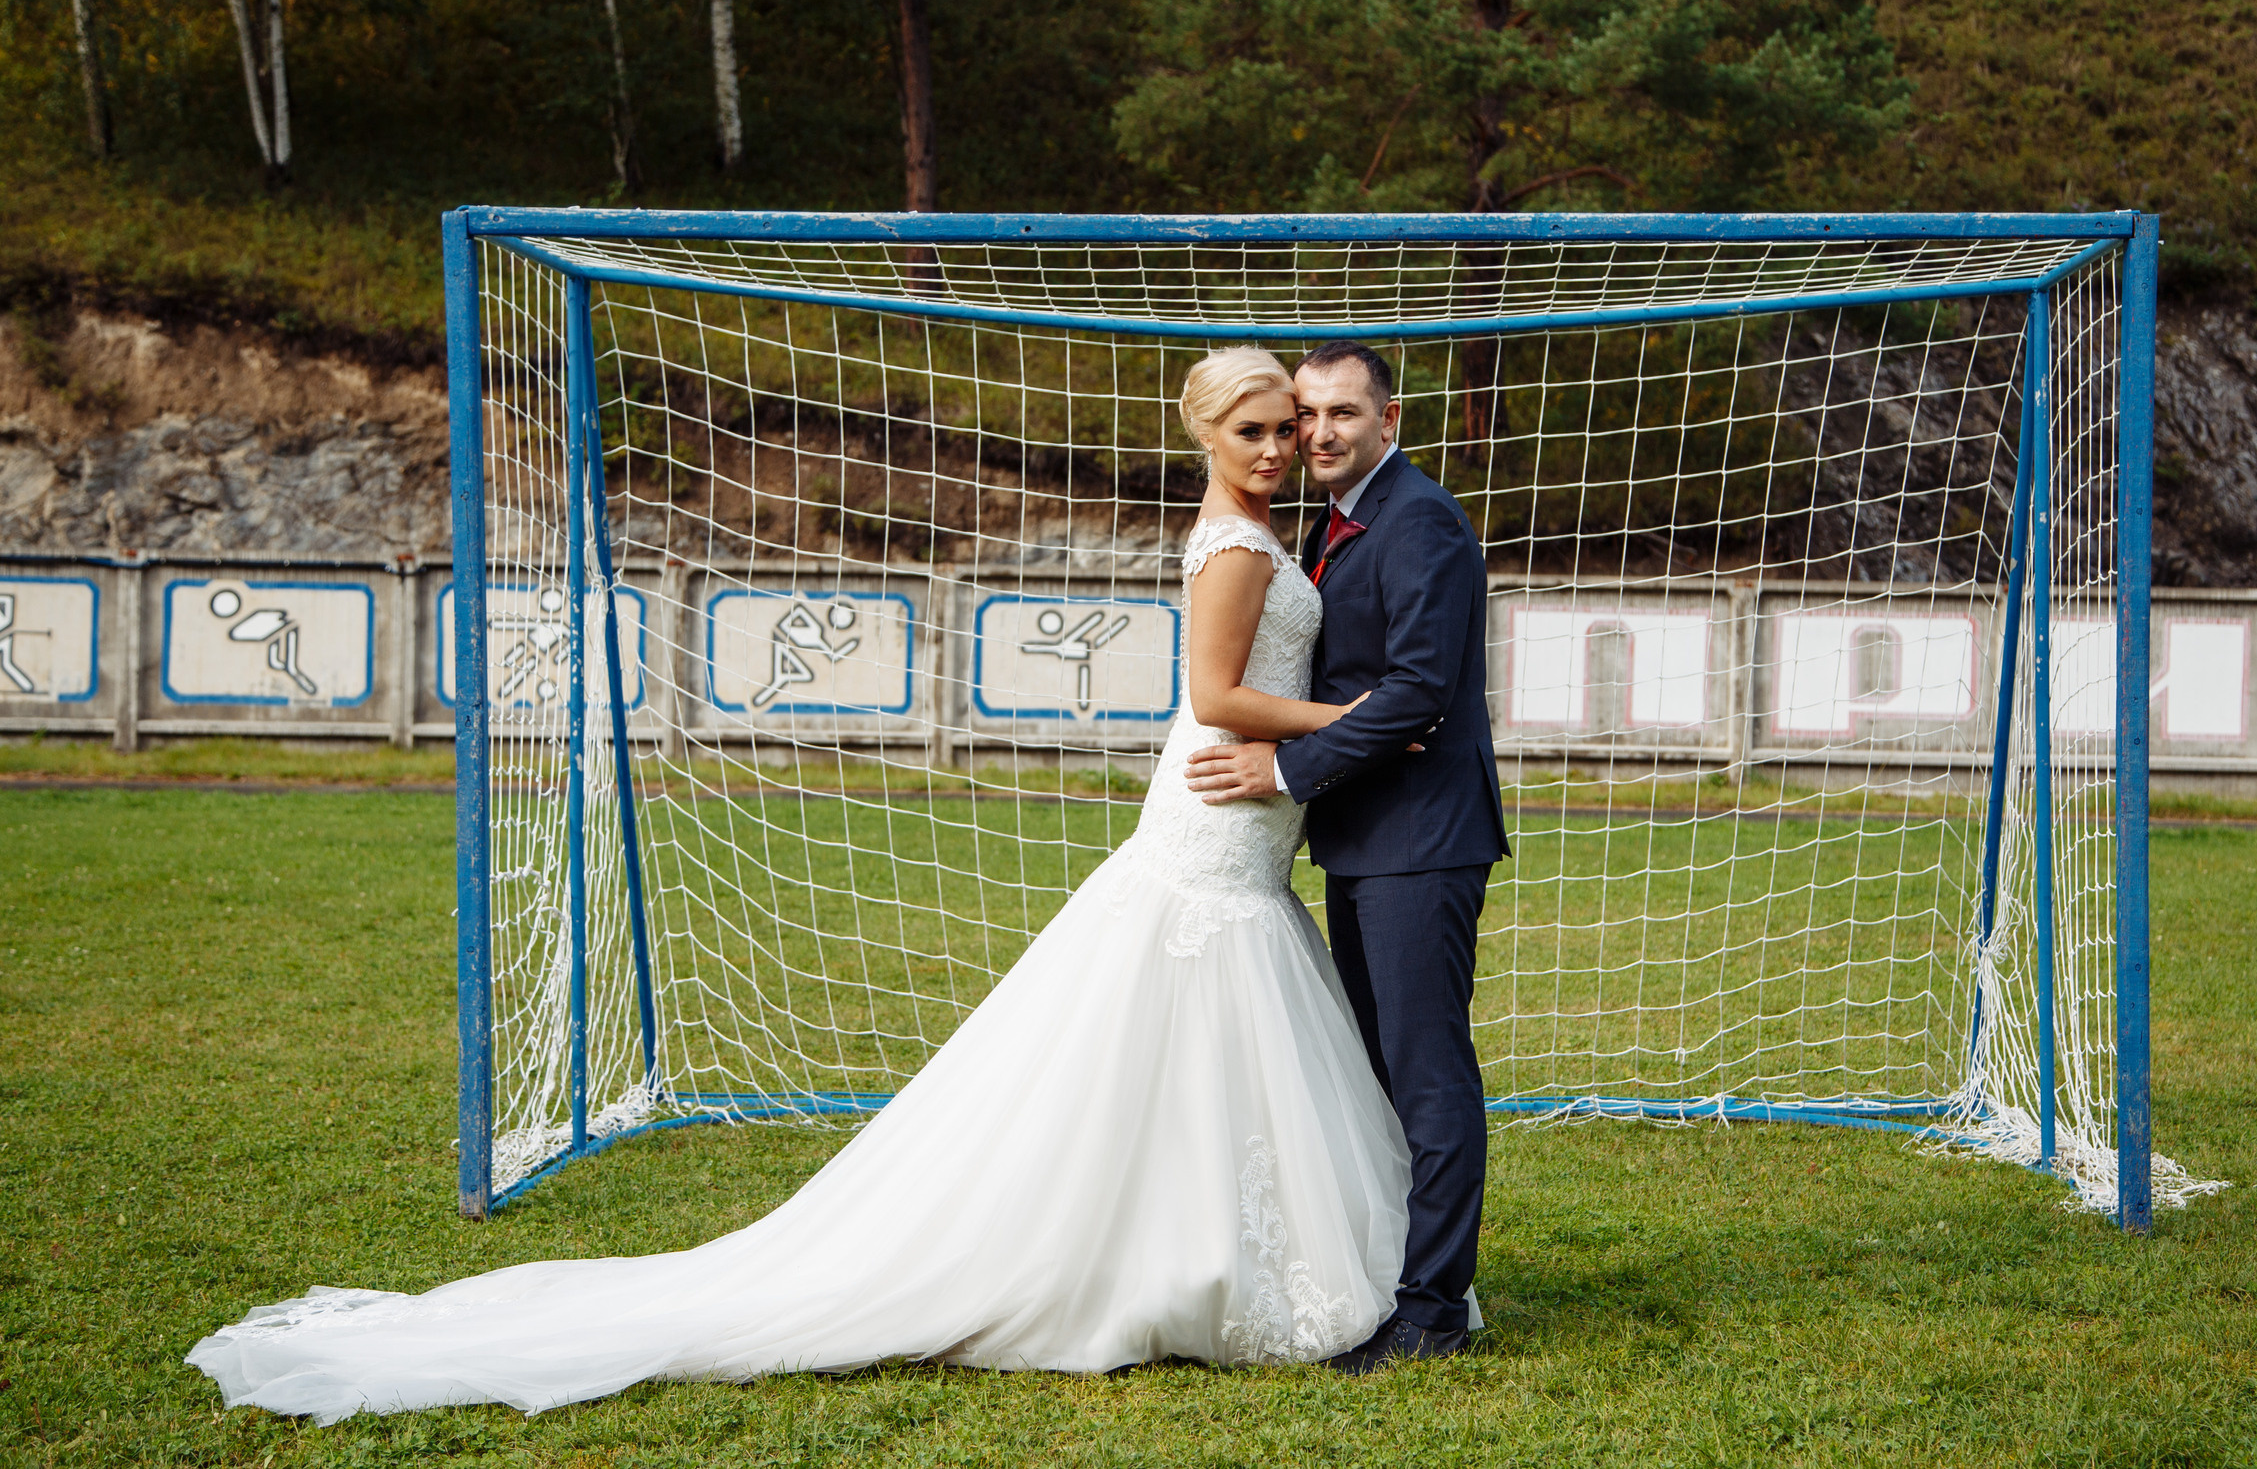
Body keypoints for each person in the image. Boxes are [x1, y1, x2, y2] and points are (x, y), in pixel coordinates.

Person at [186, 347, 1426, 1422]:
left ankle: (1198, 1251)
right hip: (1213, 813)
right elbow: (1213, 698)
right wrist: (1368, 717)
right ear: (1206, 436)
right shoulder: (1230, 545)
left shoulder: (1271, 532)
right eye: (1253, 429)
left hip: (1245, 817)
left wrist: (1322, 736)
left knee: (1196, 1040)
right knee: (1179, 1016)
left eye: (1288, 428)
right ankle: (1171, 1266)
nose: (1277, 447)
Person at [1185, 340, 1509, 1373]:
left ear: (1390, 421)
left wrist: (1283, 769)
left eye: (1338, 415)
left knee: (1425, 1076)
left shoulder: (1422, 525)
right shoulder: (1326, 523)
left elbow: (1417, 695)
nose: (1316, 433)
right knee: (1374, 1070)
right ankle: (1388, 1278)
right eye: (1302, 415)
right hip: (1362, 842)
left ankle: (1432, 1312)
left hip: (1422, 841)